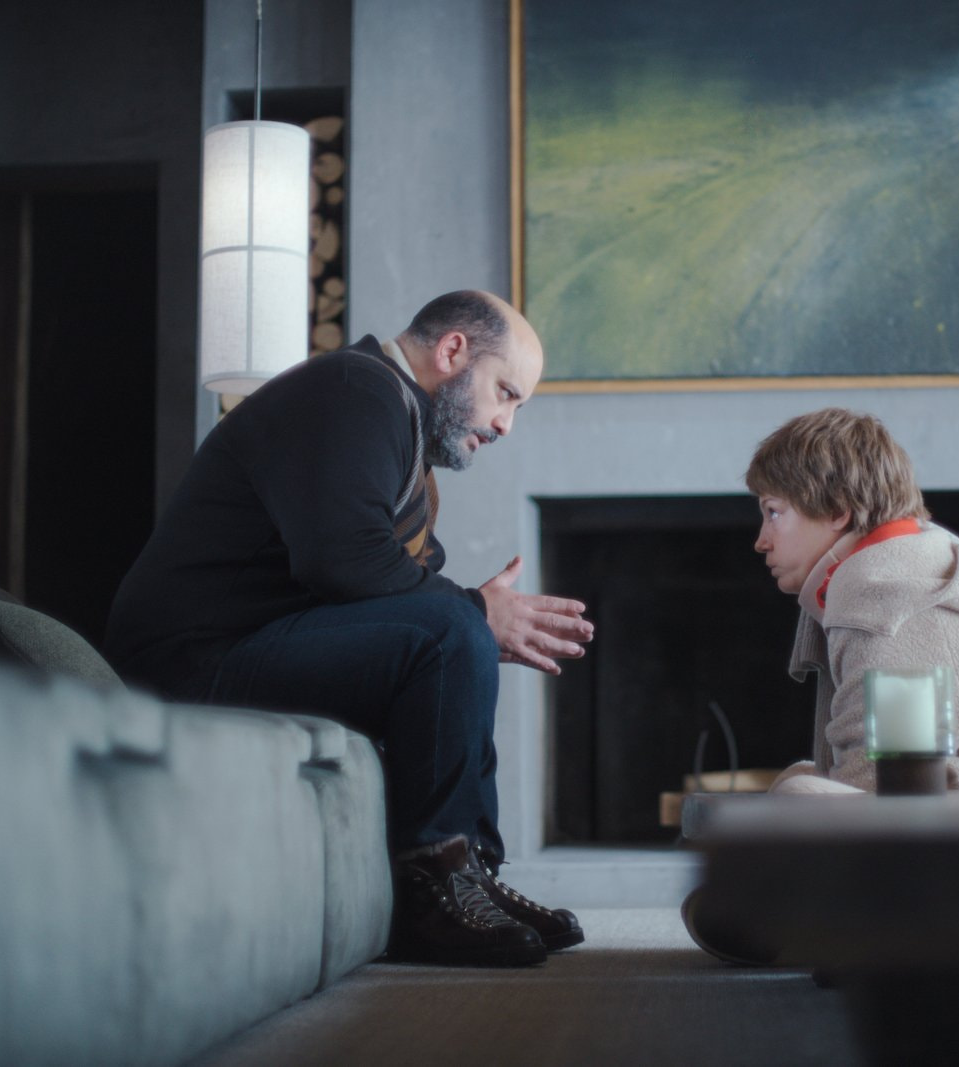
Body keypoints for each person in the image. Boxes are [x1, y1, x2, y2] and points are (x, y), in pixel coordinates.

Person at [104, 290, 593, 967]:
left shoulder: (393, 418)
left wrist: (474, 616)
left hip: (251, 644)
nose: (506, 424)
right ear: (454, 350)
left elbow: (395, 584)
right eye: (505, 394)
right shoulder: (353, 390)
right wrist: (475, 612)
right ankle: (431, 888)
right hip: (190, 663)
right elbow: (345, 560)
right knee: (450, 628)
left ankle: (472, 870)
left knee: (455, 628)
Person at [748, 407, 959, 794]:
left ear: (836, 510)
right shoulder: (913, 569)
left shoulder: (882, 598)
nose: (761, 541)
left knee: (800, 792)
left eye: (773, 512)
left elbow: (872, 782)